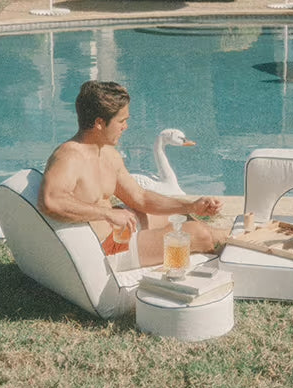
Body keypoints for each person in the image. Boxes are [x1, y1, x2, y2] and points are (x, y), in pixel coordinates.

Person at [39, 81, 229, 271]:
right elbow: (51, 201)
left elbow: (141, 198)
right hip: (108, 249)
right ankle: (233, 254)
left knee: (179, 217)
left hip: (119, 231)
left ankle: (238, 240)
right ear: (99, 123)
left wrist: (191, 205)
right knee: (197, 233)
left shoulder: (107, 154)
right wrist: (108, 213)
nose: (126, 126)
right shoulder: (69, 156)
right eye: (121, 121)